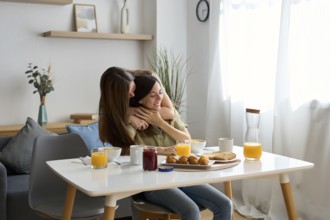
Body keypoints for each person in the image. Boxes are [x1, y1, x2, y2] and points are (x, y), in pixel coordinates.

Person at [98, 67, 233, 220]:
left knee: (225, 205)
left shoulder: (152, 86)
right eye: (153, 95)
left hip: (179, 174)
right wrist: (129, 116)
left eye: (160, 92)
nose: (160, 99)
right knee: (191, 211)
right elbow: (127, 150)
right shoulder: (131, 120)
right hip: (151, 181)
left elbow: (180, 128)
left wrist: (159, 121)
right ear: (138, 99)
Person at [98, 66, 175, 155]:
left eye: (134, 88)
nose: (133, 94)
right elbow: (103, 137)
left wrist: (136, 113)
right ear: (116, 96)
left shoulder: (150, 77)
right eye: (127, 93)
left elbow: (170, 112)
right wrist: (127, 116)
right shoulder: (107, 103)